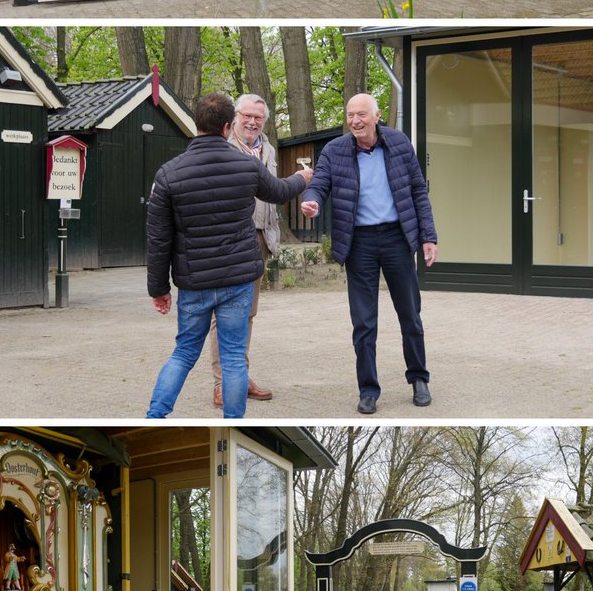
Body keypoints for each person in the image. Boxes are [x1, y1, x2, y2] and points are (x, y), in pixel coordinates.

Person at [145, 92, 312, 418]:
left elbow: (158, 238)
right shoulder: (246, 166)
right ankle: (233, 420)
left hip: (194, 282)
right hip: (238, 280)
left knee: (182, 353)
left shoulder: (168, 174)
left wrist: (158, 289)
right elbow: (279, 191)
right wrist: (302, 178)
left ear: (197, 124)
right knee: (234, 355)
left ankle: (156, 415)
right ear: (227, 126)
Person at [300, 93, 438, 414]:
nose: (355, 121)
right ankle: (368, 389)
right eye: (350, 115)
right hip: (358, 243)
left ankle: (418, 378)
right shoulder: (335, 151)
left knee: (410, 314)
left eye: (361, 114)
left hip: (397, 238)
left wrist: (428, 236)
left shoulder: (399, 144)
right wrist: (312, 200)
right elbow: (319, 183)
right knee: (363, 322)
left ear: (376, 116)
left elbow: (418, 190)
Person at [209, 93, 279, 408]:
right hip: (228, 240)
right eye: (247, 116)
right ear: (235, 116)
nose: (252, 122)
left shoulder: (269, 150)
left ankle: (240, 377)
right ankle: (222, 384)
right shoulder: (221, 148)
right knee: (223, 314)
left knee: (248, 312)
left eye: (258, 118)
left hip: (259, 238)